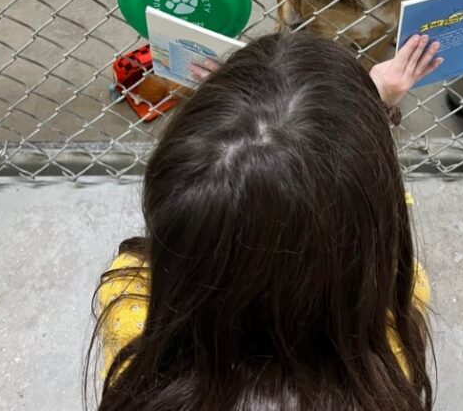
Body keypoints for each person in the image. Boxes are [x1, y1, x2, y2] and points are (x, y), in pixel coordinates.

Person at [85, 32, 443, 411]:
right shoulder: (387, 347)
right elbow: (355, 210)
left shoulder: (126, 299)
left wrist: (235, 120)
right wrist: (370, 111)